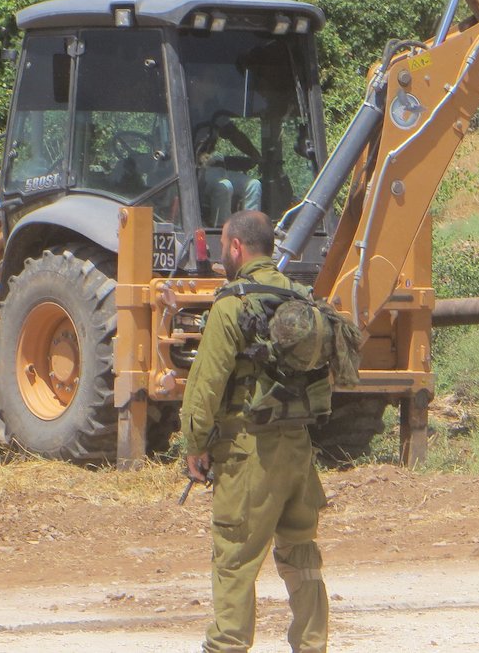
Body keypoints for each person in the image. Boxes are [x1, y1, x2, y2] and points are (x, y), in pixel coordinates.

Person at [182, 209, 328, 652]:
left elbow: (205, 384)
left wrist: (194, 445)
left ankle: (227, 645)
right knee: (301, 554)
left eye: (225, 246)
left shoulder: (232, 303)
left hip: (250, 453)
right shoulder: (300, 297)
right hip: (298, 451)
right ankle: (312, 645)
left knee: (234, 558)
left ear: (237, 248)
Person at [195, 111, 263, 226]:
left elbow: (234, 135)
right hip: (197, 173)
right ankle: (222, 229)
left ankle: (251, 230)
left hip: (218, 169)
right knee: (225, 186)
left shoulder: (214, 110)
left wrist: (255, 155)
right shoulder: (186, 111)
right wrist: (199, 158)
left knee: (254, 185)